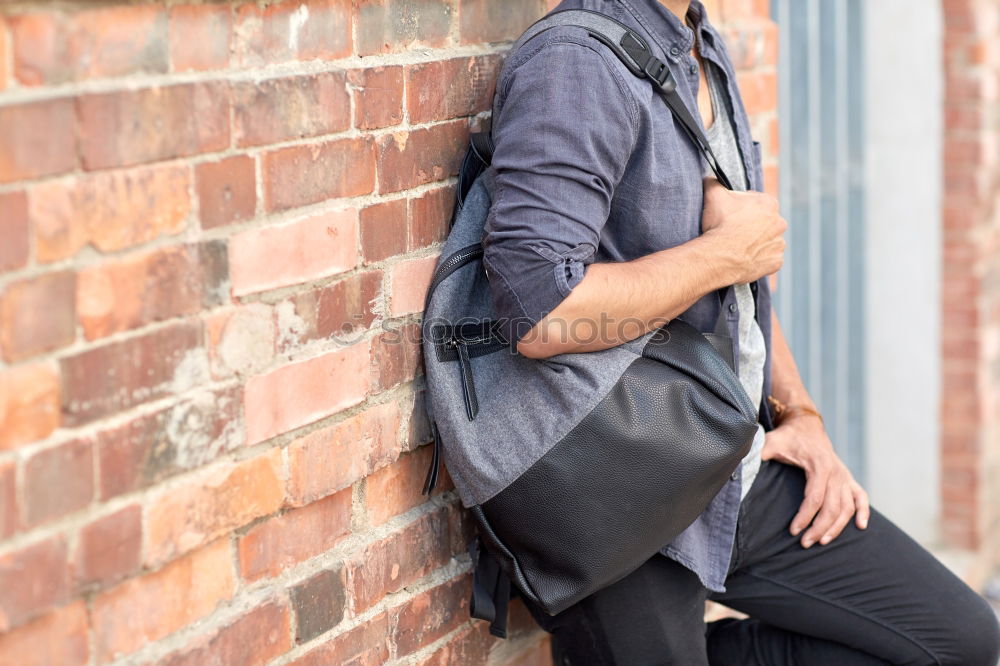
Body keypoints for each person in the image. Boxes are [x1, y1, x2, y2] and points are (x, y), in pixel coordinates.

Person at [480, 0, 1000, 663]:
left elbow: (736, 281)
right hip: (618, 484)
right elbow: (540, 314)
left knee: (955, 641)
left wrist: (802, 414)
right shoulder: (575, 64)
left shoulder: (697, 42)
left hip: (725, 456)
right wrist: (727, 253)